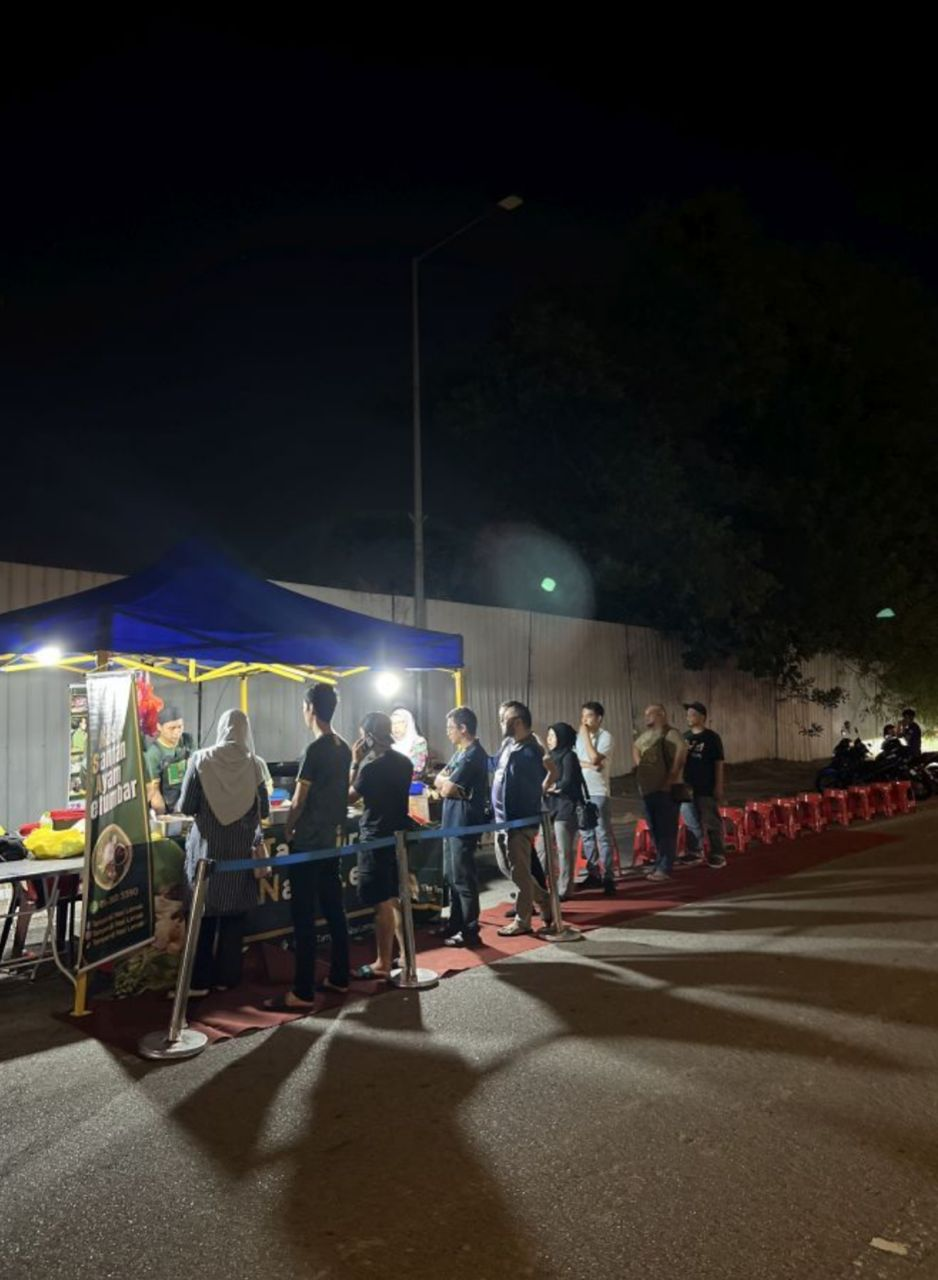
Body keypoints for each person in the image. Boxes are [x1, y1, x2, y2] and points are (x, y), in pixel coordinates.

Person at [265, 684, 352, 1012]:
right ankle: (340, 976)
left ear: (310, 709)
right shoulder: (343, 748)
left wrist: (288, 826)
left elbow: (299, 799)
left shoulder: (315, 750)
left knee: (303, 916)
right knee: (334, 910)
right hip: (332, 841)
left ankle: (302, 991)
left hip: (308, 842)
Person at [178, 709, 269, 995]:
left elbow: (186, 805)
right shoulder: (255, 765)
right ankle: (228, 978)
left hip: (207, 851)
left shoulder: (200, 759)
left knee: (202, 917)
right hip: (239, 852)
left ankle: (200, 980)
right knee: (233, 917)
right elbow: (263, 810)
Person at [349, 711, 414, 980]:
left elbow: (350, 796)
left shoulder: (370, 768)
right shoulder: (405, 763)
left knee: (381, 902)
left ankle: (383, 962)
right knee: (396, 897)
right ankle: (406, 956)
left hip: (376, 836)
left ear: (368, 736)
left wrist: (355, 762)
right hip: (398, 834)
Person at [491, 701, 554, 936]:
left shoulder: (530, 752)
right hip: (501, 820)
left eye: (503, 719)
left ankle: (523, 919)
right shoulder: (508, 744)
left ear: (516, 721)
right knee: (508, 867)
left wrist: (520, 821)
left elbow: (529, 791)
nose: (500, 724)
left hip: (517, 822)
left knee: (519, 871)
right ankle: (543, 898)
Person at [434, 706, 488, 947]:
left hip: (463, 823)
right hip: (451, 822)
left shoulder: (473, 755)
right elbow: (440, 780)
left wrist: (447, 784)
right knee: (451, 876)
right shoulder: (459, 754)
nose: (448, 733)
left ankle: (470, 930)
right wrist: (447, 784)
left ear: (463, 728)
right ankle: (454, 924)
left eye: (450, 728)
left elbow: (444, 787)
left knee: (463, 878)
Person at [632, 704, 687, 882]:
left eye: (651, 713)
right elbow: (635, 747)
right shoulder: (645, 737)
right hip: (649, 790)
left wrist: (671, 778)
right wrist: (641, 766)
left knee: (666, 830)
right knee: (655, 829)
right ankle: (660, 861)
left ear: (661, 714)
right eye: (645, 713)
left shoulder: (671, 734)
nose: (647, 716)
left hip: (666, 789)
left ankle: (664, 867)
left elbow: (680, 754)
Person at [679, 702, 727, 869]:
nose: (688, 717)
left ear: (702, 717)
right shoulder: (684, 737)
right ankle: (694, 851)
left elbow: (719, 763)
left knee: (710, 819)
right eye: (687, 715)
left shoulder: (712, 738)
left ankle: (718, 853)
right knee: (690, 820)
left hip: (706, 785)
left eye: (692, 714)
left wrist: (719, 786)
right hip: (686, 786)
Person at [576, 701, 616, 895]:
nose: (584, 720)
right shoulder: (577, 738)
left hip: (598, 792)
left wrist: (586, 737)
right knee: (587, 835)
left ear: (599, 718)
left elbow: (594, 759)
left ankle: (608, 876)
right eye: (583, 716)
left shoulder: (605, 736)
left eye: (589, 716)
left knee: (602, 835)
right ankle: (593, 874)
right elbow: (576, 763)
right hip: (582, 792)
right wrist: (591, 765)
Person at [544, 723, 587, 899]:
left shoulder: (569, 756)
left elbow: (567, 781)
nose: (549, 740)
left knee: (564, 851)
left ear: (563, 738)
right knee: (543, 849)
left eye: (553, 736)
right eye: (549, 736)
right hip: (549, 807)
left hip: (566, 807)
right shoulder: (548, 757)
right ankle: (542, 886)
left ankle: (565, 888)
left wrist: (553, 786)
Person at [144, 704, 191, 813]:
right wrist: (165, 819)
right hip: (167, 808)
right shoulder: (153, 754)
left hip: (188, 802)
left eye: (180, 727)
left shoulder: (187, 742)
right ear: (159, 727)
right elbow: (154, 793)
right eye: (172, 728)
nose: (177, 732)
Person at [390, 707, 429, 777]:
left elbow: (417, 769)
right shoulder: (388, 743)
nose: (395, 727)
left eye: (399, 722)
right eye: (393, 723)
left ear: (408, 723)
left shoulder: (419, 742)